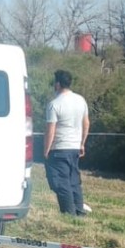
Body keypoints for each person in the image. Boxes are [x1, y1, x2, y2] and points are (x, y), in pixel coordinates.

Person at [43, 69, 90, 216]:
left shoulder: (54, 104)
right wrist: (82, 143)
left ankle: (69, 213)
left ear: (57, 84)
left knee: (61, 183)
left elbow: (51, 130)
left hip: (59, 149)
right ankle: (79, 211)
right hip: (74, 147)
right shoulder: (80, 100)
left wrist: (46, 150)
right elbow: (86, 123)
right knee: (74, 181)